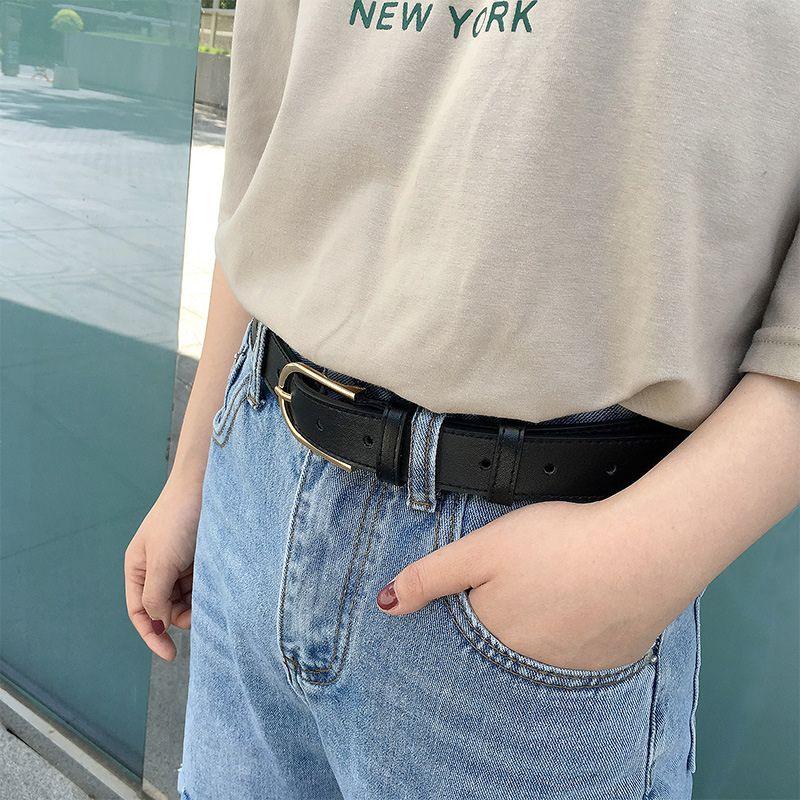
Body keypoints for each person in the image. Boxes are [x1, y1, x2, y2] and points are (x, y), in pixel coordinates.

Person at [124, 2, 800, 798]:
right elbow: (266, 151)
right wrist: (196, 468)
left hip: (534, 558)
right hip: (261, 480)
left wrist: (636, 562)